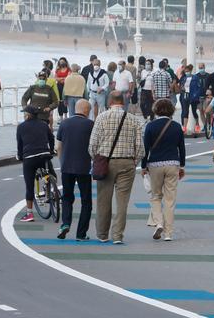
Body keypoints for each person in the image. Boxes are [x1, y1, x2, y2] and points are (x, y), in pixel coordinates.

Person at [89, 90, 146, 244]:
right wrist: (135, 161)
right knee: (122, 202)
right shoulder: (134, 120)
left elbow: (93, 144)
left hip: (106, 162)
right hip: (127, 163)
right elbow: (140, 147)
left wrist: (97, 159)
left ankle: (102, 234)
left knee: (103, 200)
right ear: (123, 102)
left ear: (109, 102)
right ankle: (117, 236)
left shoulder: (101, 118)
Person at [141, 98, 186, 241]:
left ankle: (159, 222)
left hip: (154, 165)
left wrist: (143, 166)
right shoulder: (176, 126)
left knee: (155, 196)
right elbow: (182, 148)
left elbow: (145, 148)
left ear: (156, 110)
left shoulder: (150, 126)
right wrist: (182, 165)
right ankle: (168, 233)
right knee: (170, 199)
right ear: (171, 111)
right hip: (173, 163)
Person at [55, 99, 95, 240]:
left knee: (67, 197)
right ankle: (81, 233)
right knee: (86, 201)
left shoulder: (64, 123)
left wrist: (62, 162)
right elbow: (94, 147)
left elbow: (58, 147)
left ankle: (65, 224)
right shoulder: (91, 125)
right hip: (84, 167)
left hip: (66, 166)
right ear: (86, 110)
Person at [15, 106, 55, 223]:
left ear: (27, 115)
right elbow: (51, 138)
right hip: (44, 155)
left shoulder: (21, 127)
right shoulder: (43, 124)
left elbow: (20, 145)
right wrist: (51, 150)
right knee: (50, 172)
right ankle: (51, 187)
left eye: (24, 113)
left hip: (30, 158)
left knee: (29, 186)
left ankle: (29, 213)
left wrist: (20, 156)